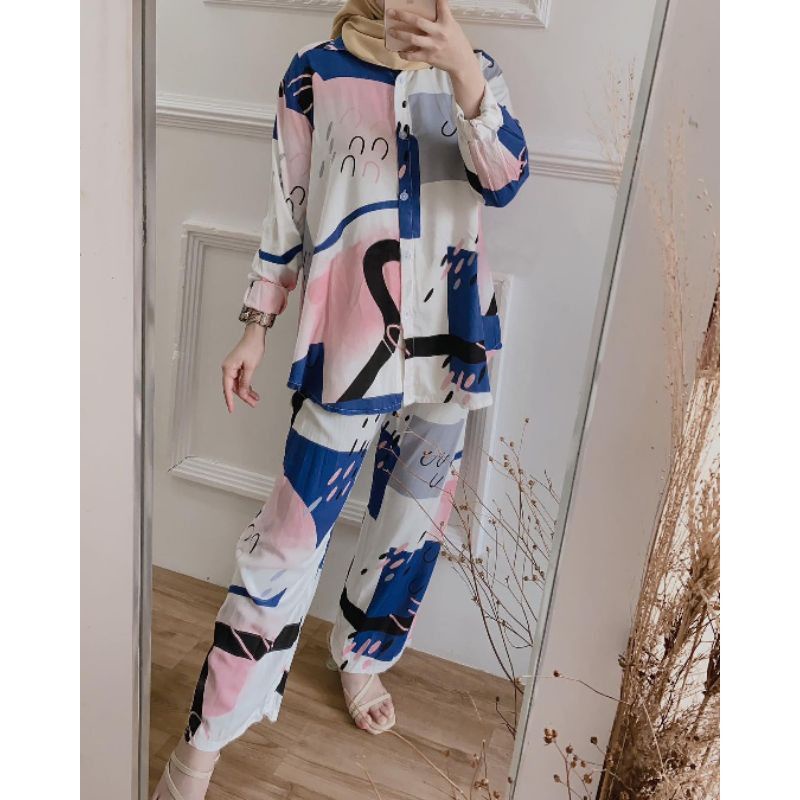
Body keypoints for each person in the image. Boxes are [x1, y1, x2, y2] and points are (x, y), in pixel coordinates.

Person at [153, 1, 528, 797]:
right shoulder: (314, 74)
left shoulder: (477, 71)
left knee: (411, 523)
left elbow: (505, 180)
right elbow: (287, 211)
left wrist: (462, 67)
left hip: (450, 344)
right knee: (285, 545)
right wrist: (256, 325)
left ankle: (362, 656)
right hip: (348, 349)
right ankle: (203, 744)